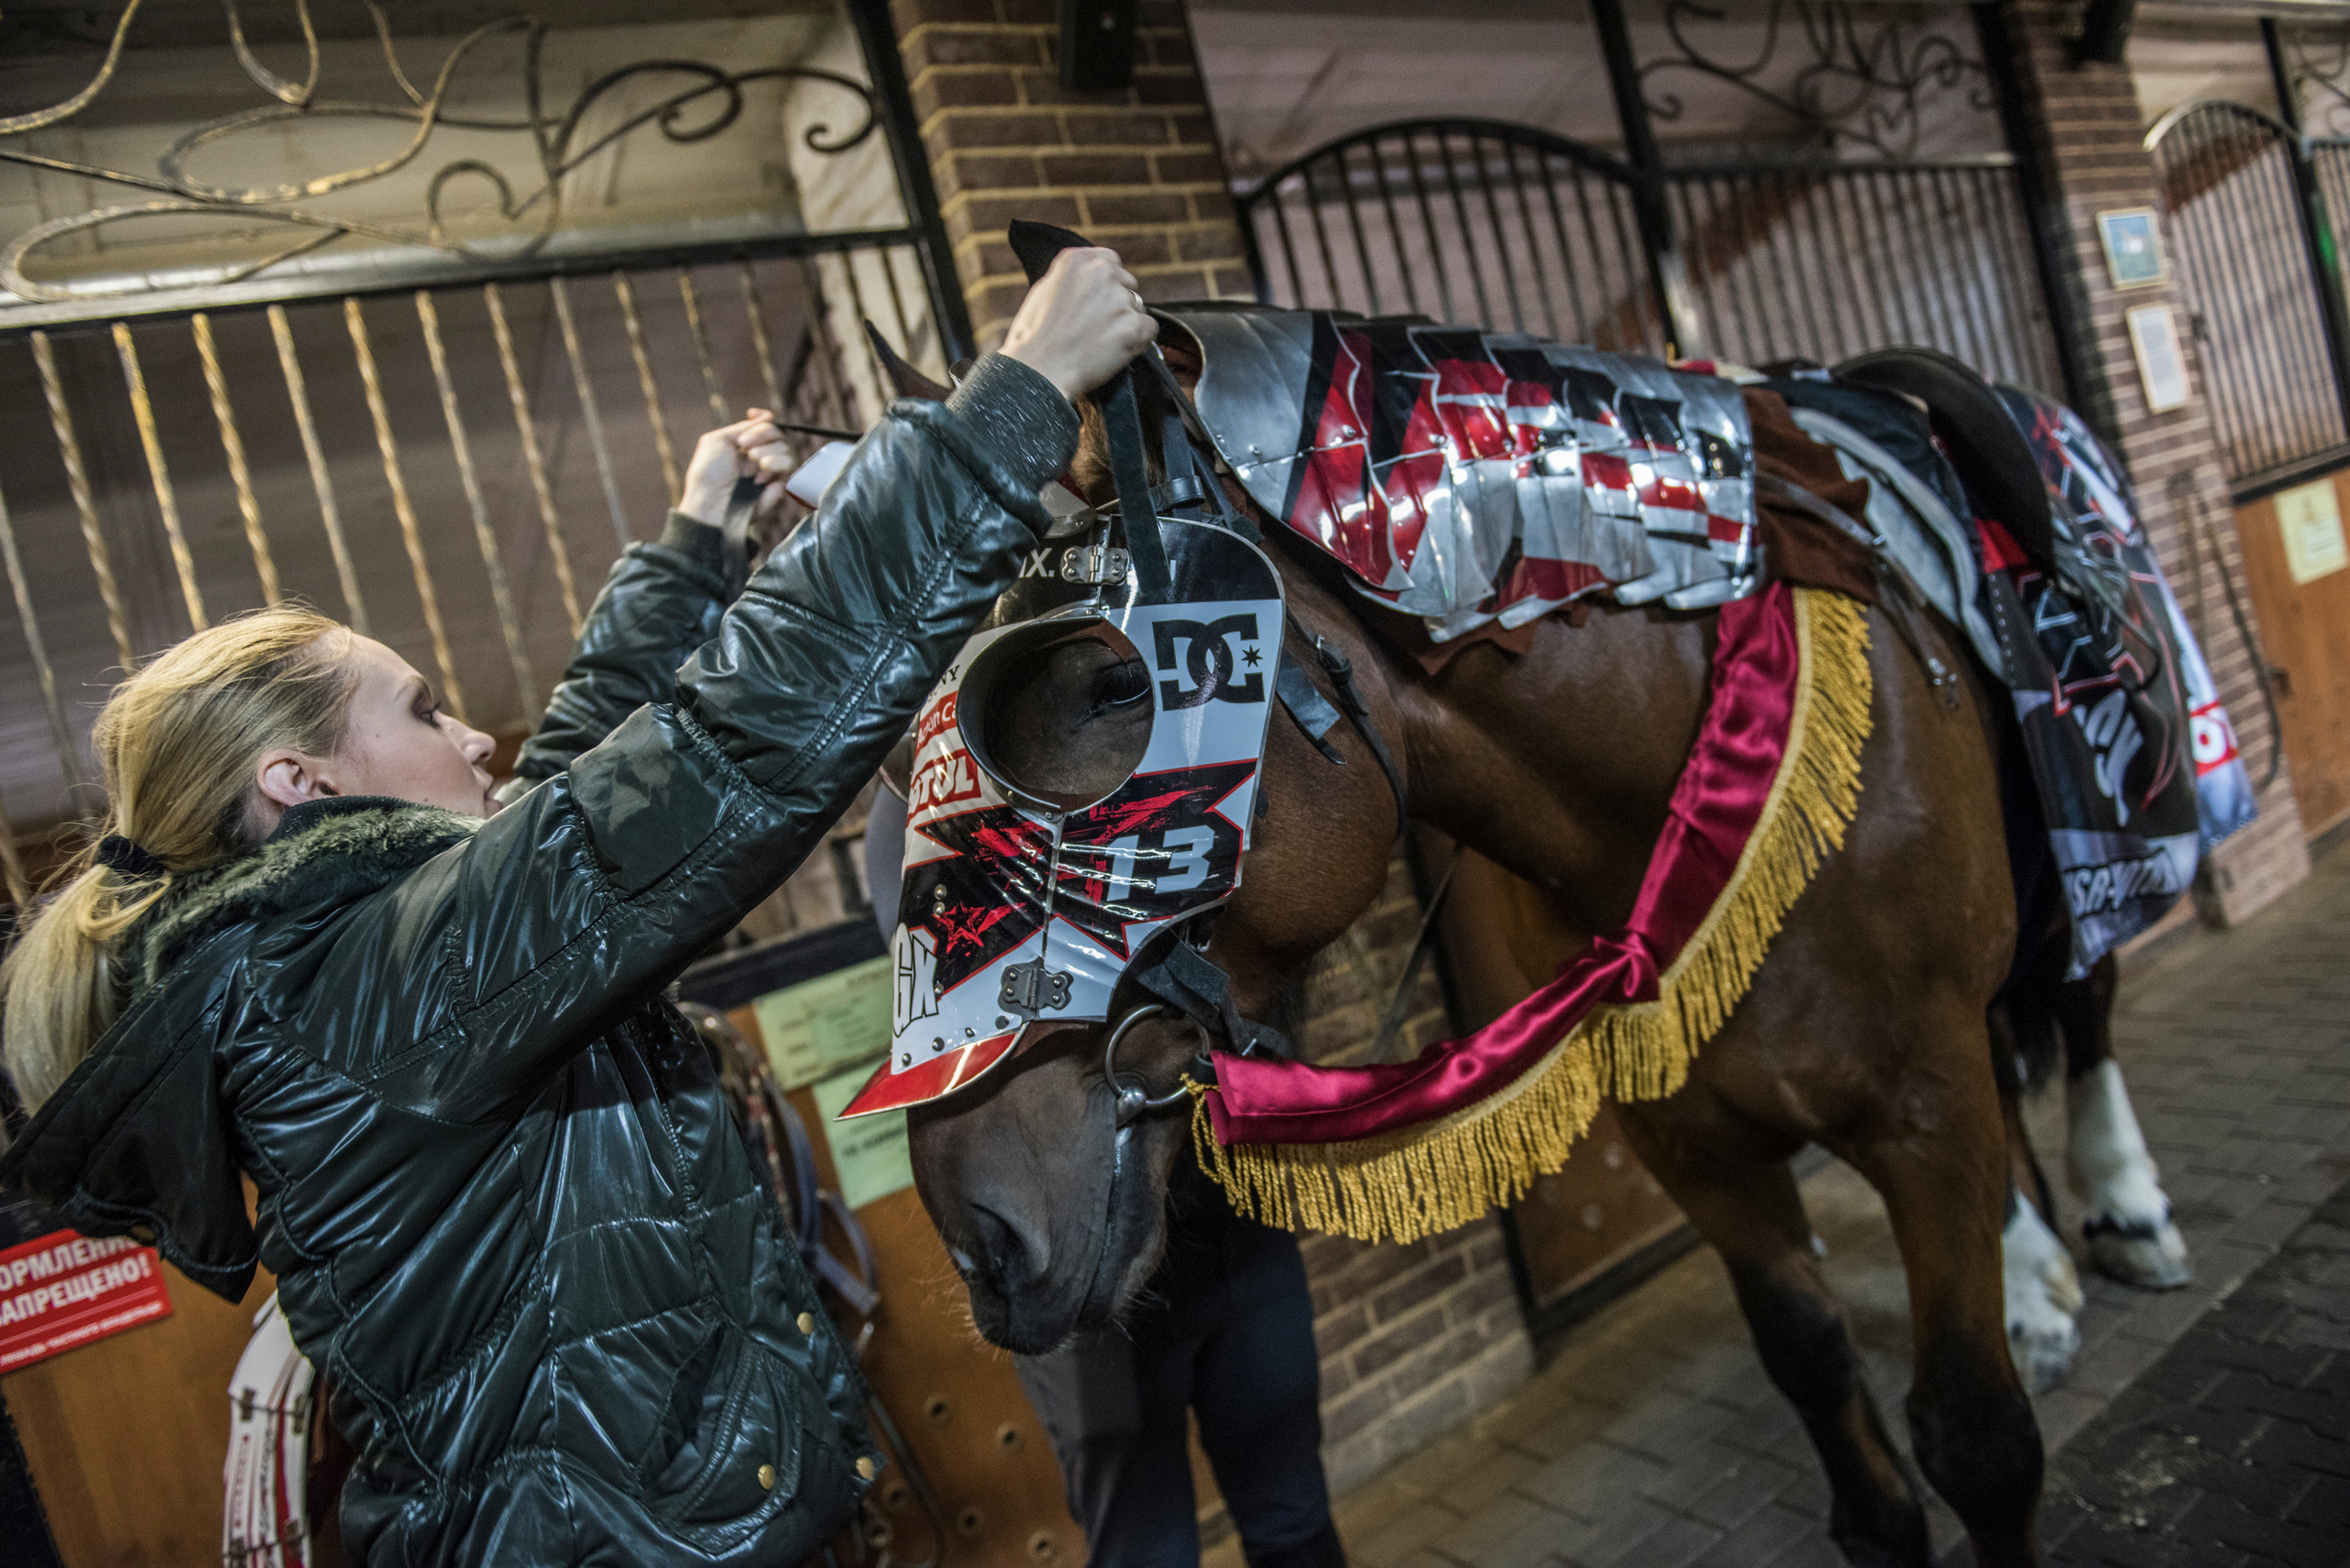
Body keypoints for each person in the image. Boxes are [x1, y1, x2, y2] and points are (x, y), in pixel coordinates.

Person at [0, 248, 1155, 1567]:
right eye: (425, 709)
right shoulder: (364, 990)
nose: (476, 741)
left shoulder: (372, 966)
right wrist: (1010, 406)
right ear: (298, 780)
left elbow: (590, 767)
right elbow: (719, 755)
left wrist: (699, 529)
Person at [866, 798, 1345, 1568]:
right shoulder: (919, 819)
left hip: (1229, 1219)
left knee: (1292, 1514)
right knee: (1146, 1552)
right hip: (1085, 1264)